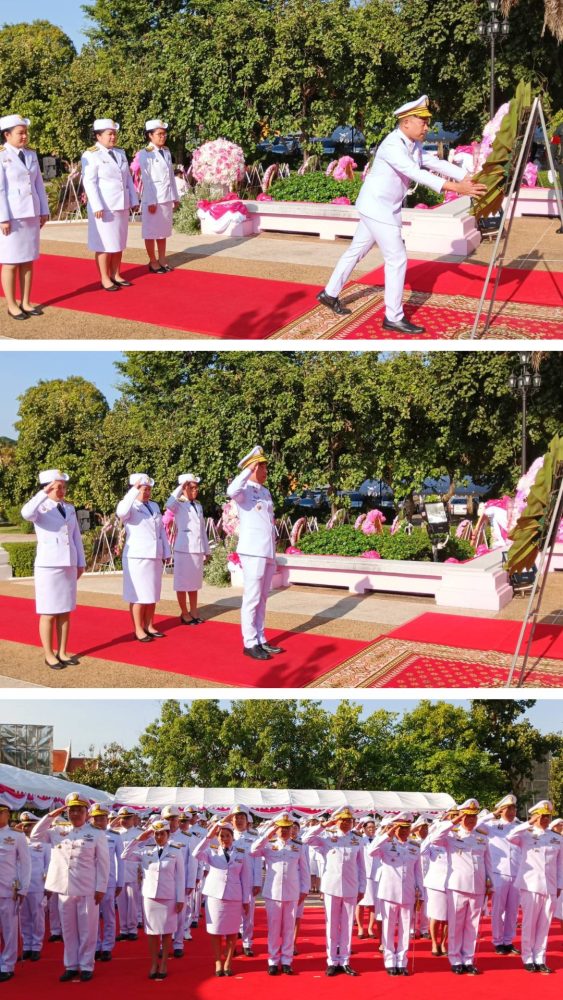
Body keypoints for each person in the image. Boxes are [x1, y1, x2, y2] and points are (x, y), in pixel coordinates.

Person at [316, 95, 487, 333]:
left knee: (357, 250)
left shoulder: (412, 144)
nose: (427, 127)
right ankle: (393, 317)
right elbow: (415, 172)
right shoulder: (392, 146)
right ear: (406, 122)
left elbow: (433, 163)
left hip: (379, 206)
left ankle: (329, 293)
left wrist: (465, 177)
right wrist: (457, 188)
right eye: (423, 122)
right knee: (396, 259)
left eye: (427, 123)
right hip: (378, 208)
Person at [31, 791, 110, 983]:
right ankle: (71, 965)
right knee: (68, 930)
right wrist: (52, 815)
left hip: (87, 889)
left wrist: (101, 888)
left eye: (79, 810)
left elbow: (103, 863)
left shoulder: (97, 834)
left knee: (87, 930)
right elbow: (35, 835)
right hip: (65, 889)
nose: (75, 814)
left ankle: (86, 965)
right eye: (71, 810)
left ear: (86, 813)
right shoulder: (58, 831)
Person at [21, 469, 86, 669]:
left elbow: (75, 537)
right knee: (48, 612)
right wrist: (43, 493)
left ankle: (63, 652)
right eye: (58, 487)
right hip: (48, 567)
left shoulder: (69, 508)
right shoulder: (40, 508)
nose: (62, 491)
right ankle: (49, 654)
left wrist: (80, 562)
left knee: (65, 611)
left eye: (64, 487)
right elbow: (26, 513)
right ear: (47, 487)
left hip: (68, 564)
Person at [423, 798, 493, 975]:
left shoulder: (482, 837)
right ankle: (455, 958)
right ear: (461, 817)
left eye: (474, 816)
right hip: (457, 886)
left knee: (472, 926)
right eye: (467, 816)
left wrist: (490, 882)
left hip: (478, 886)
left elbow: (488, 862)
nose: (471, 820)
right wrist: (453, 821)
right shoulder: (452, 835)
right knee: (456, 925)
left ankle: (468, 959)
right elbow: (434, 839)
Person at [226, 446, 282, 661]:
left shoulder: (265, 492)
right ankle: (249, 642)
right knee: (252, 597)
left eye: (265, 467)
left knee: (263, 598)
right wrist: (248, 469)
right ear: (252, 468)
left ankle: (260, 637)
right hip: (252, 551)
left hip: (266, 550)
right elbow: (231, 491)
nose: (266, 471)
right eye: (262, 467)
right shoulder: (244, 490)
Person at [302, 805, 366, 976]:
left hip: (351, 887)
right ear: (336, 821)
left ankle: (344, 960)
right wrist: (323, 825)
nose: (346, 823)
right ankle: (331, 960)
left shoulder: (358, 839)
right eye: (342, 820)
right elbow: (306, 839)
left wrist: (362, 887)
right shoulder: (327, 838)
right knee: (331, 924)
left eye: (349, 820)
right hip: (331, 887)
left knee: (347, 925)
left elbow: (361, 866)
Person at [121, 818, 185, 980]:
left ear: (168, 834)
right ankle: (154, 962)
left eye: (162, 834)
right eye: (156, 834)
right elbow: (124, 855)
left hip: (168, 896)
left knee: (167, 931)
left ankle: (164, 962)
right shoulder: (145, 850)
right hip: (150, 897)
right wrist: (139, 838)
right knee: (152, 932)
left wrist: (180, 898)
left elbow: (180, 877)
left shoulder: (176, 850)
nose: (159, 837)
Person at [0, 114, 49, 321]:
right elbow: (0, 189)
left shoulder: (30, 154)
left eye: (25, 132)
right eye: (20, 133)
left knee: (28, 260)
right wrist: (3, 217)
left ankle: (26, 301)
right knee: (10, 262)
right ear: (7, 135)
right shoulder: (2, 155)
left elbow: (38, 184)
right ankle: (12, 305)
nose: (24, 136)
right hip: (12, 217)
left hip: (31, 213)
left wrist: (44, 210)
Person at [506, 799, 563, 975]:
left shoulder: (556, 838)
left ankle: (540, 958)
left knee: (544, 925)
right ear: (535, 816)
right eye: (541, 816)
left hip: (550, 887)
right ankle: (528, 957)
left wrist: (559, 886)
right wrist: (529, 822)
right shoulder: (526, 834)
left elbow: (560, 865)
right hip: (530, 885)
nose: (545, 819)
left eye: (547, 816)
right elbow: (510, 836)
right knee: (529, 924)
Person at [81, 118, 139, 291]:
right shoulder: (91, 155)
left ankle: (116, 274)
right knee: (104, 244)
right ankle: (105, 278)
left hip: (121, 204)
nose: (113, 137)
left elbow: (127, 179)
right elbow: (89, 182)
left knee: (118, 242)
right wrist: (97, 205)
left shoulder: (120, 153)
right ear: (98, 136)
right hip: (104, 207)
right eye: (109, 134)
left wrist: (134, 200)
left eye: (114, 134)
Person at [250, 812, 309, 975]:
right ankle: (273, 960)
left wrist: (305, 889)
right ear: (276, 829)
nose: (284, 831)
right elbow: (253, 851)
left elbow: (304, 869)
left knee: (289, 928)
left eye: (287, 828)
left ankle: (287, 960)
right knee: (274, 928)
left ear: (291, 829)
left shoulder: (299, 846)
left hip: (292, 892)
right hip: (273, 892)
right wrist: (267, 835)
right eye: (281, 828)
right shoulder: (268, 844)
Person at [192, 819, 252, 977]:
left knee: (232, 931)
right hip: (215, 896)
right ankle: (218, 960)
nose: (224, 838)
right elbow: (195, 853)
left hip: (234, 896)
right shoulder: (211, 851)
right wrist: (209, 835)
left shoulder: (241, 852)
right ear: (217, 837)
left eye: (227, 836)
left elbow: (246, 878)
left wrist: (246, 900)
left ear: (233, 837)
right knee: (215, 930)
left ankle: (228, 961)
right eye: (221, 836)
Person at [116, 473, 171, 642]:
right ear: (134, 489)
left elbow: (161, 531)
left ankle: (149, 625)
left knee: (152, 594)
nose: (147, 492)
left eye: (148, 489)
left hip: (154, 554)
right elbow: (121, 512)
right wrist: (133, 491)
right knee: (138, 595)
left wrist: (166, 551)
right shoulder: (129, 505)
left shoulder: (154, 506)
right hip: (137, 557)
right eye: (143, 489)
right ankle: (138, 629)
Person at [367, 813, 422, 976]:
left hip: (408, 892)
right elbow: (371, 851)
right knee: (388, 928)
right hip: (389, 892)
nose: (404, 831)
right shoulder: (385, 844)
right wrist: (387, 834)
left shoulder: (415, 846)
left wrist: (421, 892)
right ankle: (390, 961)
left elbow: (418, 872)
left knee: (405, 929)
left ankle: (402, 961)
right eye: (400, 828)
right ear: (394, 828)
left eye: (406, 828)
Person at [476, 794, 521, 955]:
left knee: (513, 910)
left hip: (516, 872)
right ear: (501, 810)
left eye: (513, 808)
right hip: (498, 873)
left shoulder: (520, 826)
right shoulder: (492, 826)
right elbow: (475, 825)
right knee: (498, 910)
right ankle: (498, 941)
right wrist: (492, 814)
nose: (511, 811)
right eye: (508, 808)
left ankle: (508, 941)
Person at [165, 473, 210, 626]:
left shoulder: (198, 505)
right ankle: (184, 613)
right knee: (182, 583)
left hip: (197, 548)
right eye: (191, 487)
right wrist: (180, 487)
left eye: (196, 487)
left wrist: (206, 550)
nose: (195, 490)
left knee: (194, 583)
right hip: (184, 549)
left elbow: (202, 529)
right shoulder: (178, 504)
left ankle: (194, 611)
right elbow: (169, 503)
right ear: (184, 488)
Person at [137, 119, 180, 273]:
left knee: (163, 232)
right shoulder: (145, 153)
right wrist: (151, 201)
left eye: (164, 134)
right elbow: (146, 179)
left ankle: (162, 258)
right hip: (153, 198)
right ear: (150, 135)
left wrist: (175, 196)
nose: (163, 137)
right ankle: (153, 261)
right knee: (150, 232)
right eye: (159, 134)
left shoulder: (166, 151)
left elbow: (170, 177)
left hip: (166, 196)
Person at [159, 805, 198, 959]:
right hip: (163, 883)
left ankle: (178, 944)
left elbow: (193, 862)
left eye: (173, 818)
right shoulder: (158, 836)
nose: (171, 822)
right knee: (163, 915)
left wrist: (190, 883)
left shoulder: (188, 838)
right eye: (167, 819)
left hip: (180, 883)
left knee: (180, 915)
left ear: (178, 819)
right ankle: (163, 945)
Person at [0, 797, 31, 983]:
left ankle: (7, 965)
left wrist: (23, 888)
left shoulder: (16, 836)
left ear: (7, 814)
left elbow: (26, 864)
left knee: (9, 930)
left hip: (7, 890)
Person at [89, 803, 124, 963]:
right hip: (89, 882)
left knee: (109, 915)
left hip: (108, 882)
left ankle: (107, 947)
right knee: (92, 917)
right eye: (96, 818)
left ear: (107, 819)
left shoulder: (114, 836)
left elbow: (120, 860)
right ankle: (95, 946)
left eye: (102, 818)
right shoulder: (86, 835)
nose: (99, 821)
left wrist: (120, 882)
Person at [225, 804, 262, 957]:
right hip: (231, 880)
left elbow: (258, 860)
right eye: (236, 818)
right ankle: (231, 944)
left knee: (248, 914)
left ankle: (247, 943)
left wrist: (257, 882)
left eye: (242, 818)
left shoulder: (254, 837)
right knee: (231, 914)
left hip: (248, 880)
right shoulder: (226, 835)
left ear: (247, 821)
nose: (239, 820)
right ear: (231, 820)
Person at [18, 811, 50, 963]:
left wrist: (48, 886)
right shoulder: (18, 843)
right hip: (21, 886)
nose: (26, 828)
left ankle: (36, 946)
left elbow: (48, 866)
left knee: (37, 917)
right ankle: (27, 946)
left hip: (38, 886)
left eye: (30, 825)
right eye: (24, 826)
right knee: (24, 918)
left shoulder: (44, 846)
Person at [420, 812, 451, 957]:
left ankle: (443, 943)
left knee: (448, 918)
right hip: (435, 884)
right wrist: (431, 835)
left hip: (451, 884)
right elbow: (422, 850)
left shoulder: (453, 843)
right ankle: (434, 942)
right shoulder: (432, 844)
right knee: (436, 915)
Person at [109, 806, 142, 941]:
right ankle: (123, 929)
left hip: (133, 870)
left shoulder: (140, 833)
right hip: (119, 871)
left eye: (127, 818)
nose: (124, 821)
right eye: (122, 818)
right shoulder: (116, 833)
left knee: (133, 901)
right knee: (121, 902)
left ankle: (132, 929)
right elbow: (106, 829)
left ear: (133, 818)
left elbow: (147, 850)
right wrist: (115, 820)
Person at [356, 816, 377, 939]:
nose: (371, 830)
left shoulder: (378, 839)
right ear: (363, 828)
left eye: (373, 827)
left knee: (373, 904)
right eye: (369, 827)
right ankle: (360, 927)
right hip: (362, 874)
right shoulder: (359, 839)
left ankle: (370, 928)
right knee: (360, 903)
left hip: (375, 875)